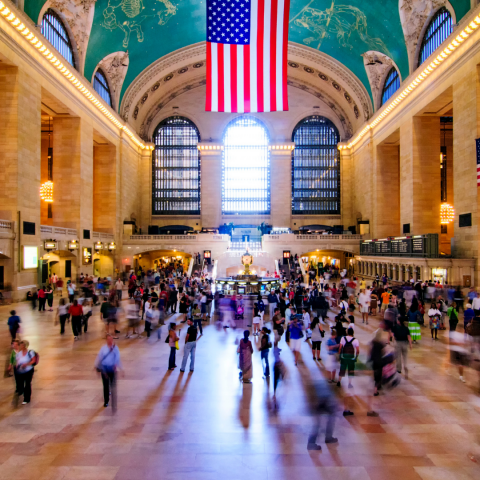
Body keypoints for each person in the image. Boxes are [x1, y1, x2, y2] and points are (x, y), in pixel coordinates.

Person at [94, 334, 122, 410]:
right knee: (105, 385)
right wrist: (96, 365)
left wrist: (120, 368)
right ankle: (106, 400)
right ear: (106, 340)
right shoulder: (103, 349)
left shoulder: (115, 348)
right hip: (105, 369)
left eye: (111, 339)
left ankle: (113, 400)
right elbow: (99, 357)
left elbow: (118, 358)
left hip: (112, 369)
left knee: (113, 385)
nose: (110, 341)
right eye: (108, 339)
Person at [14, 340, 36, 405]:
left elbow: (33, 361)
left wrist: (26, 364)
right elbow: (17, 361)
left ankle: (27, 398)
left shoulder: (30, 352)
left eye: (23, 345)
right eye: (21, 345)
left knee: (27, 383)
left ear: (26, 345)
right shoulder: (18, 354)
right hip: (21, 371)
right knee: (21, 384)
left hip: (29, 370)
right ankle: (23, 392)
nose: (22, 346)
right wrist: (17, 365)